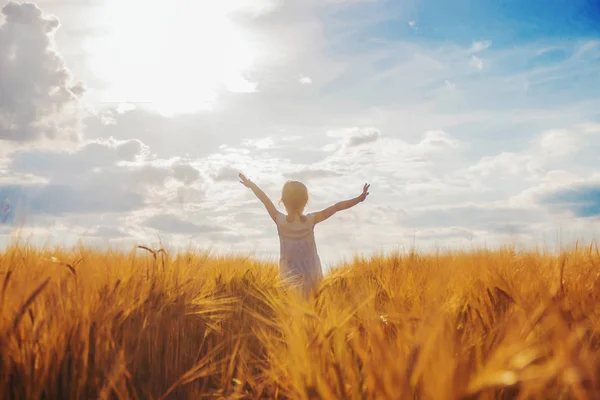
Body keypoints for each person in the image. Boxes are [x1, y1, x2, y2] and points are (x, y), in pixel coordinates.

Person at [239, 172, 370, 296]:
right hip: (313, 279)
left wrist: (251, 185)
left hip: (289, 280)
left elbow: (264, 199)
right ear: (305, 201)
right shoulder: (310, 220)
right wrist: (359, 198)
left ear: (283, 201)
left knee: (293, 315)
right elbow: (336, 207)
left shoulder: (280, 221)